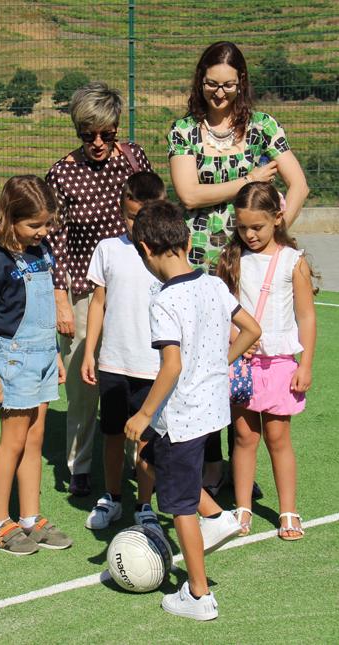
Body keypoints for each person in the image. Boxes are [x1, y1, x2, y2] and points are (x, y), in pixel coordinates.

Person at [168, 40, 310, 495]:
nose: (220, 93)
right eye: (212, 83)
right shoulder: (184, 131)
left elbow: (299, 184)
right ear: (200, 80)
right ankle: (209, 464)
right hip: (201, 268)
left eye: (229, 84)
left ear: (241, 82)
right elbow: (188, 195)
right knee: (206, 365)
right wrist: (247, 181)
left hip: (252, 272)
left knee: (246, 366)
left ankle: (237, 469)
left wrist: (277, 236)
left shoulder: (264, 127)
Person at [125, 201, 261, 620]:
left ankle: (199, 595)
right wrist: (221, 363)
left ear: (146, 249)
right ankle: (218, 517)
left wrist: (143, 414)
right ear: (185, 241)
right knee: (154, 461)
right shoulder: (215, 285)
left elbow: (172, 366)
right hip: (212, 410)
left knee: (180, 505)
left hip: (181, 415)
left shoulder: (164, 301)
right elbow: (253, 330)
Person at [46, 81, 154, 497]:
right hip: (85, 291)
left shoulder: (133, 157)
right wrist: (62, 303)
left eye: (106, 134)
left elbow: (154, 211)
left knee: (133, 375)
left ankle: (134, 458)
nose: (96, 142)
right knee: (84, 385)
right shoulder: (62, 173)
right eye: (87, 134)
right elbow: (53, 240)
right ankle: (80, 464)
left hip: (135, 285)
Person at [0, 175, 72, 555]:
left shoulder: (43, 252)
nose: (43, 231)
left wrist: (56, 355)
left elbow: (45, 310)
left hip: (45, 355)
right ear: (9, 218)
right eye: (34, 225)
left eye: (48, 223)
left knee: (35, 438)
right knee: (12, 442)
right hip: (13, 361)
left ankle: (30, 518)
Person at [216, 182, 317, 541]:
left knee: (278, 437)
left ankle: (288, 510)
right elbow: (223, 309)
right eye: (242, 227)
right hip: (242, 365)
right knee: (243, 436)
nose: (249, 234)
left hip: (279, 364)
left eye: (256, 227)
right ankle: (242, 507)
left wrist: (305, 364)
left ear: (277, 219)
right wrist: (233, 339)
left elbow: (306, 316)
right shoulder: (232, 259)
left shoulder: (294, 262)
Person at [80, 171, 166, 532]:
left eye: (143, 216)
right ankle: (112, 497)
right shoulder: (108, 249)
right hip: (114, 360)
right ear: (121, 211)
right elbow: (98, 302)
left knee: (147, 437)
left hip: (154, 366)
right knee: (113, 433)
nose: (136, 224)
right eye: (130, 216)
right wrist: (89, 352)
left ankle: (145, 505)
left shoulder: (169, 252)